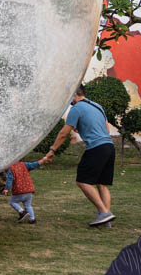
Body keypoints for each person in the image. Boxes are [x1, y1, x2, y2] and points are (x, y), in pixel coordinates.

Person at [44, 83, 116, 226]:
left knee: (83, 181)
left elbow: (64, 133)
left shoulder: (76, 109)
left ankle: (104, 212)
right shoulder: (97, 106)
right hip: (109, 147)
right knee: (102, 185)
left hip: (96, 148)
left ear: (75, 94)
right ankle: (106, 219)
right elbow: (106, 130)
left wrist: (52, 150)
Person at [2, 157, 45, 223]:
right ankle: (32, 219)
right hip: (29, 190)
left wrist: (6, 189)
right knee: (28, 205)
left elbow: (9, 180)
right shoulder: (25, 164)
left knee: (12, 202)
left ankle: (22, 212)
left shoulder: (11, 168)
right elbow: (34, 164)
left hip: (19, 191)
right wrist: (43, 160)